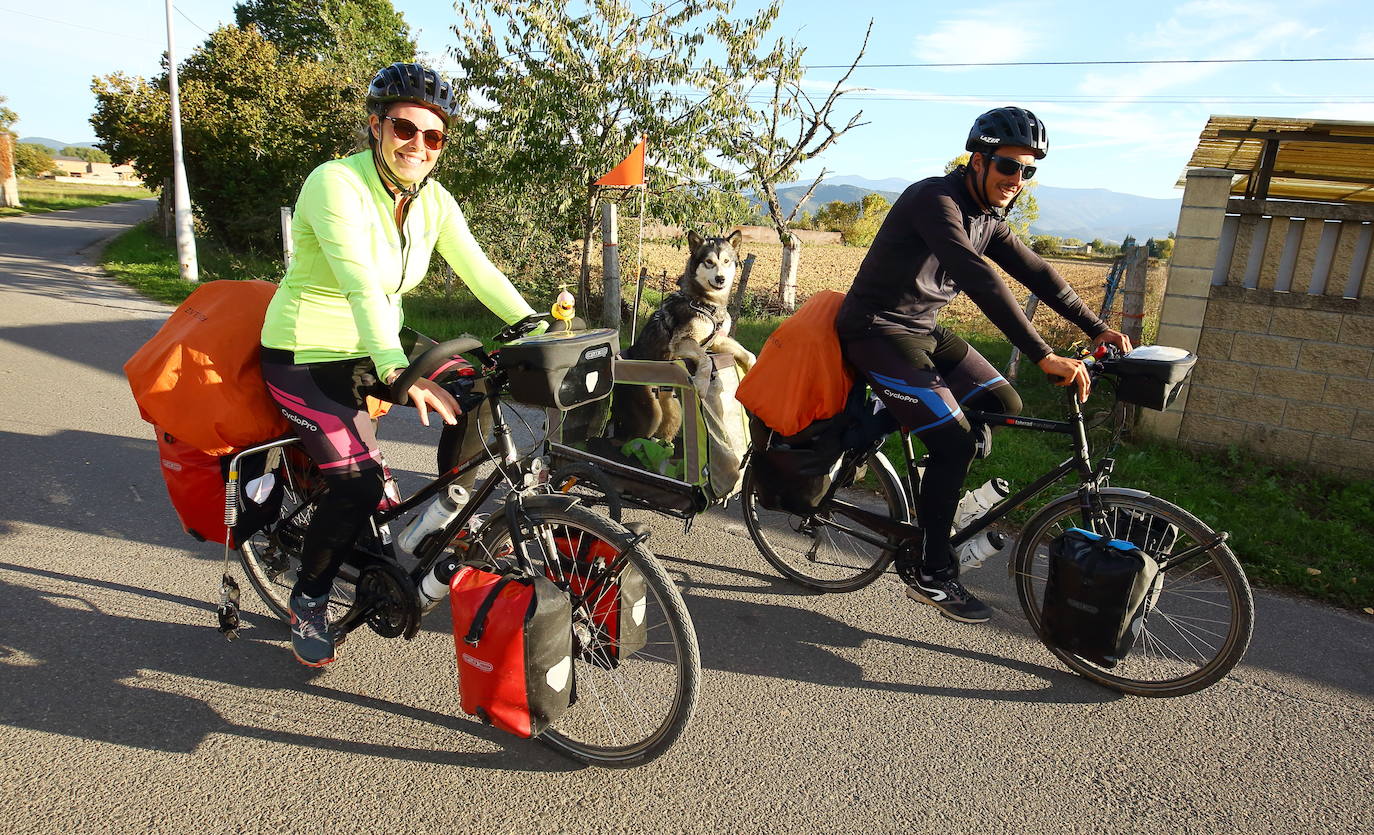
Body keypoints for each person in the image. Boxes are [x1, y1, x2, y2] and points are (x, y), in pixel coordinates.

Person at [260, 62, 543, 666]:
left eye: (433, 136)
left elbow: (478, 269)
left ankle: (447, 511)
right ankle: (308, 597)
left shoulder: (433, 200)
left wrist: (532, 326)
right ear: (376, 127)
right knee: (358, 484)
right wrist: (394, 369)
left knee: (475, 387)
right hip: (307, 355)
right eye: (404, 129)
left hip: (376, 347)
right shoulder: (335, 183)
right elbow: (360, 282)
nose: (418, 145)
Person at [835, 106, 1132, 624]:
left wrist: (1095, 327)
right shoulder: (935, 200)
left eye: (1027, 171)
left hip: (921, 331)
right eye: (1007, 167)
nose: (1016, 180)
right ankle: (930, 572)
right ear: (978, 160)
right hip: (876, 328)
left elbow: (1035, 271)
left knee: (1000, 403)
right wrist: (1043, 354)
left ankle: (907, 454)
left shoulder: (988, 217)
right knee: (952, 440)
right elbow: (978, 278)